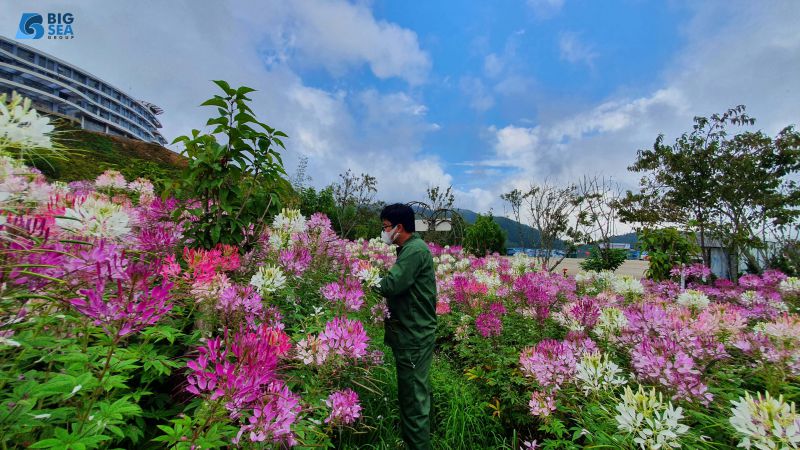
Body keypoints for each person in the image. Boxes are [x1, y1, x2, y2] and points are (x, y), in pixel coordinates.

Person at [376, 203, 437, 450]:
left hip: (413, 336)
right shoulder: (410, 249)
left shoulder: (413, 251)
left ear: (399, 228)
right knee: (417, 394)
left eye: (385, 227)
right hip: (413, 333)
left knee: (413, 401)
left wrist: (367, 278)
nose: (383, 232)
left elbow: (391, 285)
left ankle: (418, 444)